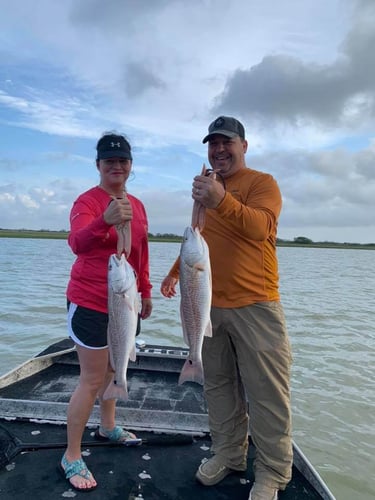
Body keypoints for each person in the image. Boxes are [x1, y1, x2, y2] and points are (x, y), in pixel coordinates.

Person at [160, 116, 292, 500]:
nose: (219, 150)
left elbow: (260, 228)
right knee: (218, 386)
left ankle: (272, 472)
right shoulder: (205, 190)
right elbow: (200, 242)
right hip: (209, 305)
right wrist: (173, 273)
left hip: (256, 304)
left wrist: (221, 199)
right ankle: (229, 454)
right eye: (212, 143)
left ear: (244, 146)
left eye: (227, 142)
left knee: (267, 393)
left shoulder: (262, 184)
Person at [61, 132, 153, 491]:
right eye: (109, 161)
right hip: (90, 302)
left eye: (123, 160)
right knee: (92, 378)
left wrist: (145, 290)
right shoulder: (87, 202)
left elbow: (140, 251)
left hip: (126, 301)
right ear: (98, 165)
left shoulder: (139, 205)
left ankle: (107, 425)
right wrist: (105, 219)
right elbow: (77, 243)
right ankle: (71, 454)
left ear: (130, 165)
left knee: (117, 366)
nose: (117, 166)